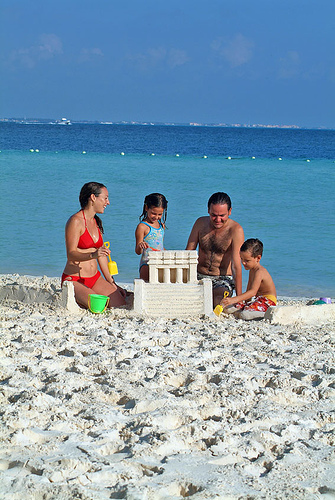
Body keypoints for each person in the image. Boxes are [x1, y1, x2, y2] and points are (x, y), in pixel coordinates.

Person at [62, 182, 127, 309]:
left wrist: (112, 282)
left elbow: (101, 255)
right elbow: (71, 254)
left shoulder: (95, 221)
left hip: (95, 278)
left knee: (120, 304)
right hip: (74, 279)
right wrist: (93, 254)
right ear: (93, 197)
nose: (108, 202)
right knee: (99, 307)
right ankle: (79, 299)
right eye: (105, 198)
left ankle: (84, 299)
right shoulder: (75, 221)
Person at [186, 192, 244, 307]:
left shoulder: (235, 230)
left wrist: (239, 297)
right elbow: (189, 252)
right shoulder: (200, 223)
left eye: (222, 215)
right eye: (214, 215)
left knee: (217, 299)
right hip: (198, 274)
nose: (218, 219)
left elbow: (236, 265)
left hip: (221, 279)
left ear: (230, 211)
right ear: (208, 210)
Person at [221, 238, 277, 320]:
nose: (243, 263)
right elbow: (249, 290)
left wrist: (234, 299)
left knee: (245, 314)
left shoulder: (260, 271)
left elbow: (253, 292)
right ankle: (245, 311)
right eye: (241, 259)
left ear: (258, 258)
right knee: (227, 308)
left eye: (247, 260)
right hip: (258, 300)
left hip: (268, 302)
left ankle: (268, 314)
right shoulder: (252, 270)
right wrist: (243, 303)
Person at [135, 193, 168, 281]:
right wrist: (140, 245)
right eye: (153, 213)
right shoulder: (142, 227)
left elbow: (161, 246)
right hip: (146, 263)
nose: (156, 217)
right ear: (146, 208)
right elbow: (138, 251)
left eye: (160, 214)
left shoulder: (162, 226)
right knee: (146, 287)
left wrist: (167, 255)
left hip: (160, 262)